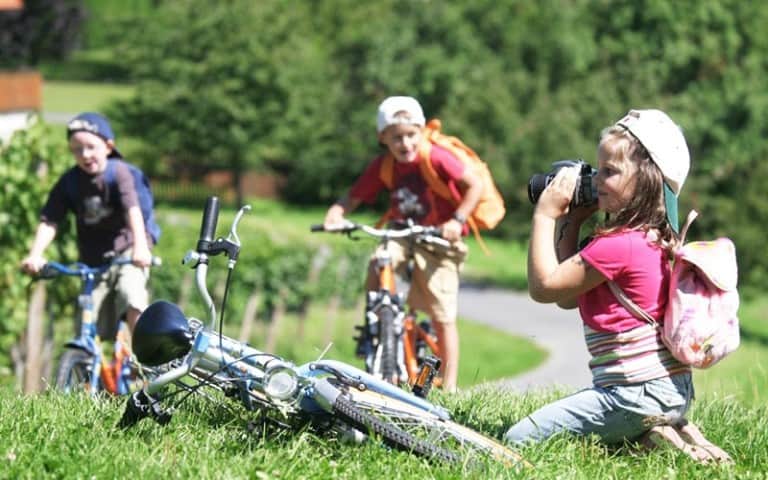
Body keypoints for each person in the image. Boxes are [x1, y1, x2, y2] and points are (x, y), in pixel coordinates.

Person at [505, 109, 732, 463]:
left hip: (633, 393)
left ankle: (657, 432)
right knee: (595, 429)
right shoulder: (647, 238)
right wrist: (574, 221)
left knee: (519, 437)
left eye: (609, 172)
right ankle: (668, 434)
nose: (596, 181)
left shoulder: (618, 245)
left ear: (646, 182)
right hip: (667, 390)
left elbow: (544, 288)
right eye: (597, 170)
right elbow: (567, 298)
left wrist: (546, 215)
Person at [323, 96, 483, 392]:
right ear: (383, 138)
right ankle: (377, 321)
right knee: (380, 260)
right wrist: (337, 211)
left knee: (442, 311)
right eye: (396, 137)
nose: (405, 143)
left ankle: (449, 386)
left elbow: (475, 185)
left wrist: (457, 220)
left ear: (421, 132)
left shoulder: (435, 157)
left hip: (438, 237)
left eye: (411, 135)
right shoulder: (384, 166)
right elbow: (354, 196)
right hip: (402, 232)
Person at [20, 112, 154, 337]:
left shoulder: (119, 173)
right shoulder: (70, 181)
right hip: (93, 258)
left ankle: (142, 362)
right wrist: (35, 254)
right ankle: (84, 363)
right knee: (87, 313)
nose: (85, 154)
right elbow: (50, 219)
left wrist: (141, 247)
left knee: (132, 296)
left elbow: (133, 209)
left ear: (108, 147)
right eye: (77, 149)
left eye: (91, 147)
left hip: (128, 250)